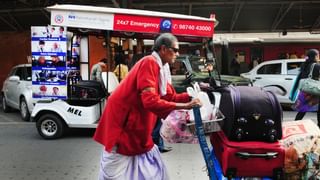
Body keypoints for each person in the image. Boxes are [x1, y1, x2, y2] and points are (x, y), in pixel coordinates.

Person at [93, 33, 201, 180]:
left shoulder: (161, 68)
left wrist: (191, 96)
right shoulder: (149, 63)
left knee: (150, 166)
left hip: (136, 125)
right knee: (115, 171)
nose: (177, 54)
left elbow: (169, 96)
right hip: (123, 123)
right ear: (163, 49)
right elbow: (150, 101)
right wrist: (185, 105)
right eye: (175, 50)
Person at [289, 49, 320, 126]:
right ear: (315, 56)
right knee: (319, 110)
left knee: (302, 110)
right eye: (318, 55)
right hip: (314, 90)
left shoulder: (304, 65)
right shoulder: (316, 65)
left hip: (305, 90)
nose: (318, 56)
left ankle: (295, 124)